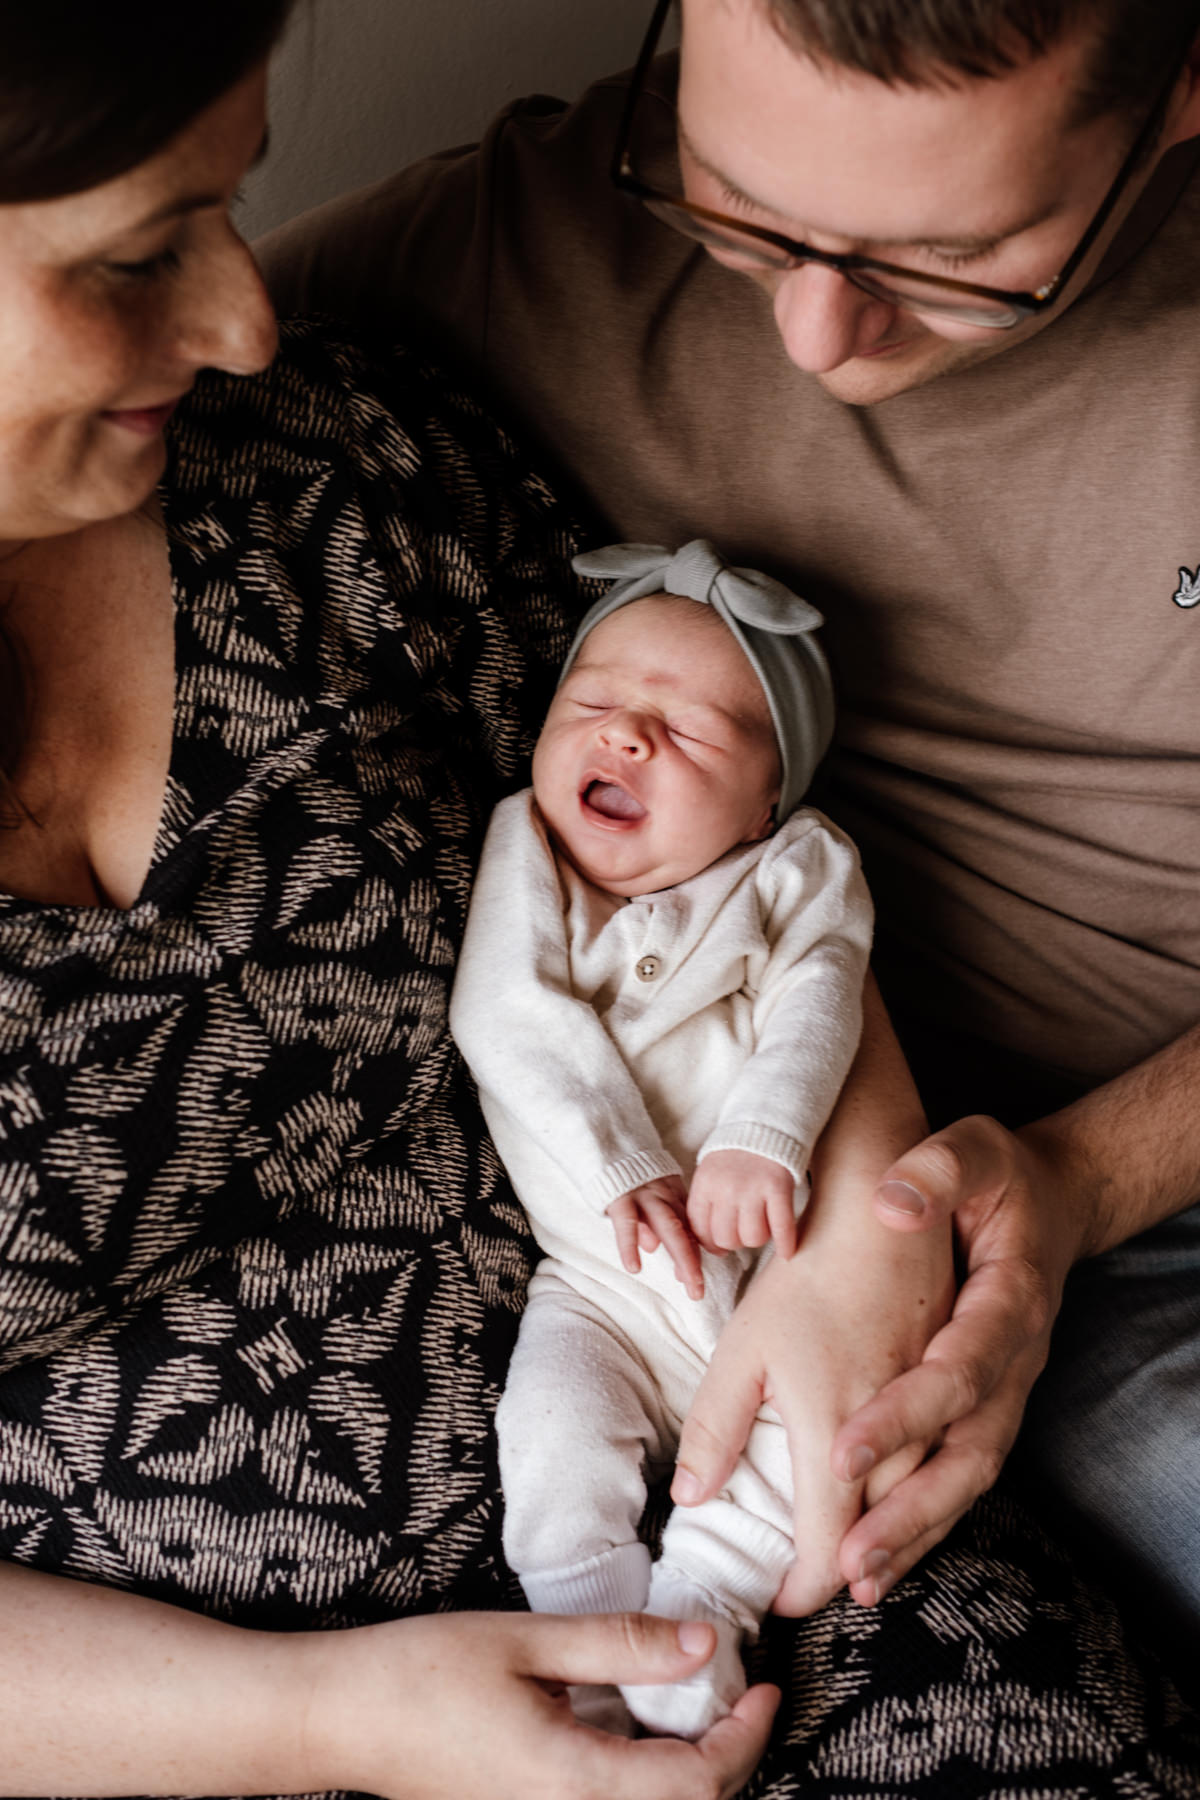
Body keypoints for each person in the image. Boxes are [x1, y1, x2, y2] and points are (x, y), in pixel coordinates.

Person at [259, 0, 1200, 1667]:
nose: (821, 334)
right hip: (725, 1181)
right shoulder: (518, 239)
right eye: (740, 211)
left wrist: (1071, 1183)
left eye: (957, 256)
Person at [0, 6, 789, 1795]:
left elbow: (732, 893)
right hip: (195, 1748)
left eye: (232, 205)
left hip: (770, 1533)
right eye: (137, 255)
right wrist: (333, 1720)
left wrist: (855, 1277)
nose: (243, 317)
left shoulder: (332, 479)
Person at [451, 540, 883, 1739]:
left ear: (768, 801)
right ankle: (586, 1624)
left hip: (782, 1276)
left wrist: (764, 1137)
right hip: (602, 1284)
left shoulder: (800, 868)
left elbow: (818, 1000)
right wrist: (624, 1166)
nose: (628, 736)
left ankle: (701, 1610)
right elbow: (504, 1013)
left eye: (689, 732)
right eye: (594, 705)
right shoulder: (524, 855)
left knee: (820, 1439)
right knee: (548, 1431)